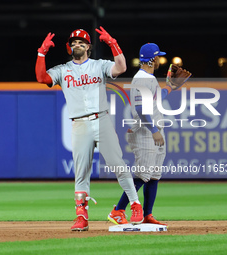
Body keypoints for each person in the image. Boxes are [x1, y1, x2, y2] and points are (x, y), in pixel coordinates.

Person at [35, 27, 143, 231]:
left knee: (117, 164)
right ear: (69, 47)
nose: (77, 44)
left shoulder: (99, 65)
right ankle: (81, 216)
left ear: (88, 47)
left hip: (101, 118)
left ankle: (136, 204)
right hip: (79, 123)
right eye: (74, 42)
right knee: (81, 172)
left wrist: (113, 43)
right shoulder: (62, 70)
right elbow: (42, 78)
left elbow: (120, 68)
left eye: (81, 42)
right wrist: (42, 53)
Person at [108, 43, 173, 226]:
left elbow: (156, 100)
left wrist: (170, 87)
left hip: (154, 129)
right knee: (143, 174)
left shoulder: (149, 78)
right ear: (152, 59)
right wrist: (153, 131)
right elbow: (140, 108)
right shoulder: (142, 79)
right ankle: (118, 210)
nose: (160, 59)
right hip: (146, 130)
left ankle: (148, 215)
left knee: (154, 175)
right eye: (158, 56)